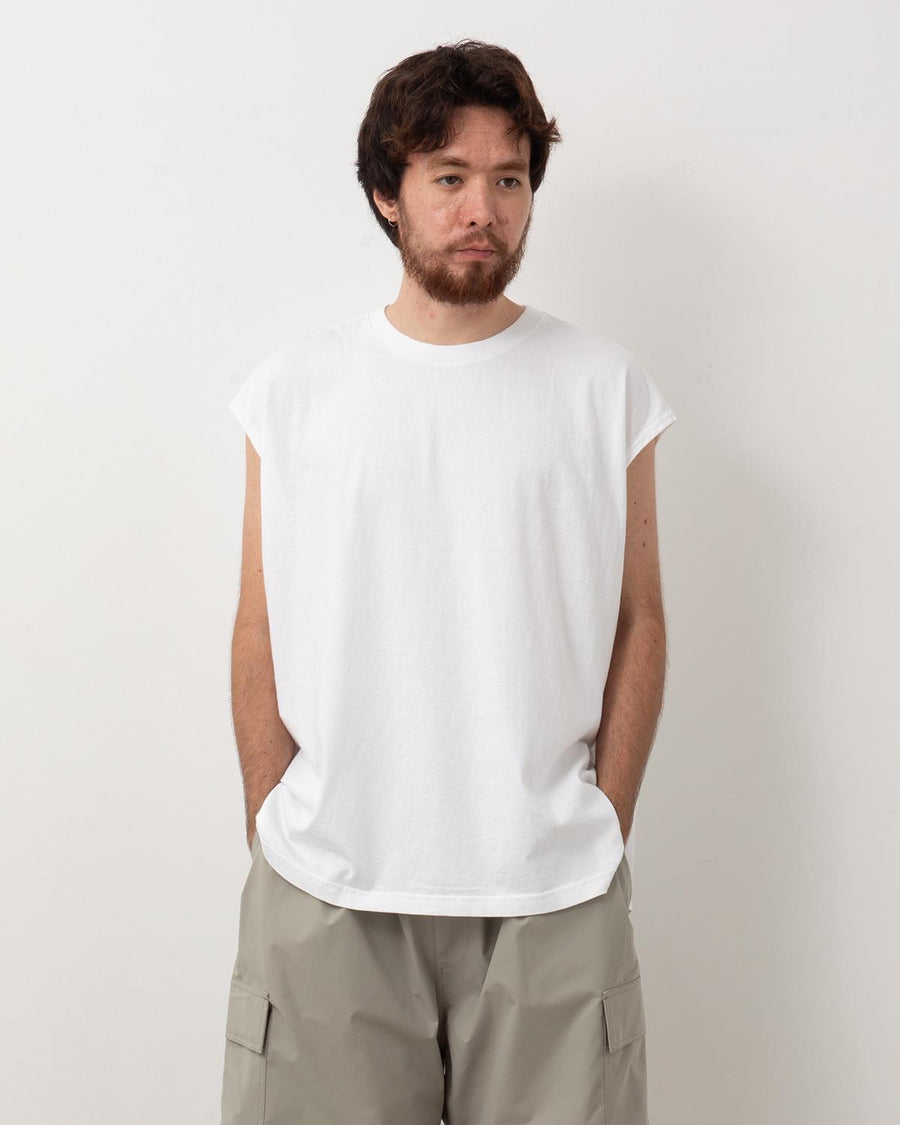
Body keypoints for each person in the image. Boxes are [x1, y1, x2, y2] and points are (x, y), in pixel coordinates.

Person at [220, 38, 676, 1125]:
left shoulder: (604, 388)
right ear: (389, 193)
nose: (484, 210)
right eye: (450, 177)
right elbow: (258, 624)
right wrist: (273, 816)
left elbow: (640, 618)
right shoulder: (293, 392)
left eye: (509, 180)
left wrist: (603, 817)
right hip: (329, 891)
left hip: (552, 895)